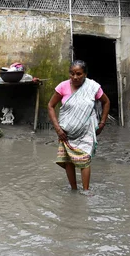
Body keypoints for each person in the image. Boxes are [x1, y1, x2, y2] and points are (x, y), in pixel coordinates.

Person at [47, 60, 110, 191]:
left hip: (86, 131)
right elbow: (50, 106)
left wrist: (102, 123)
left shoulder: (92, 87)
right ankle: (74, 189)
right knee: (69, 161)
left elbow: (106, 102)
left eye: (78, 74)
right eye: (72, 73)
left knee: (85, 160)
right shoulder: (62, 87)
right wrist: (58, 129)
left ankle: (86, 191)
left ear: (85, 74)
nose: (75, 77)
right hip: (66, 133)